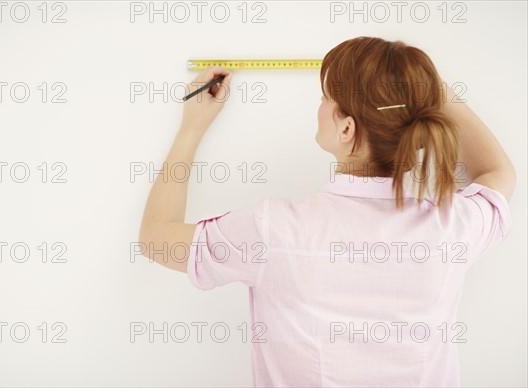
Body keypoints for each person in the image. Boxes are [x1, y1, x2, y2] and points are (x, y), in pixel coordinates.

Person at [139, 36, 516, 386]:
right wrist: (431, 89)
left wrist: (191, 128)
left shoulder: (274, 231)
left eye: (325, 98)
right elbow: (497, 172)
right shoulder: (452, 227)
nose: (319, 107)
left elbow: (157, 240)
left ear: (347, 129)